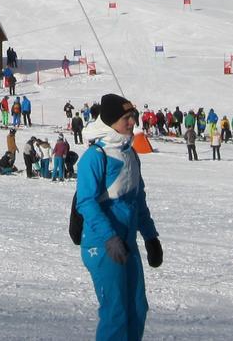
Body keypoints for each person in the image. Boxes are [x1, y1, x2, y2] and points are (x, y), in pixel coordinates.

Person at [75, 93, 163, 341]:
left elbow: (138, 199)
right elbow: (86, 202)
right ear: (113, 121)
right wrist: (109, 237)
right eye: (127, 118)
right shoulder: (95, 157)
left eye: (133, 116)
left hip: (127, 241)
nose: (132, 122)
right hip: (102, 243)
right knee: (115, 312)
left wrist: (150, 237)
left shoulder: (130, 153)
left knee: (137, 307)